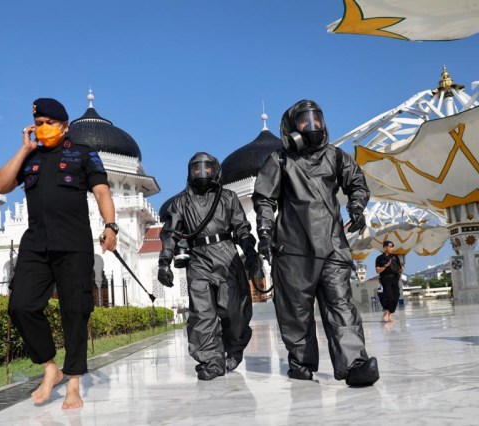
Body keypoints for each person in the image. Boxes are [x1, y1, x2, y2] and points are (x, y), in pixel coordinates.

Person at [0, 98, 118, 408]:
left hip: (73, 244)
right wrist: (24, 149)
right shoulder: (31, 158)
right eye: (38, 123)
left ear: (64, 126)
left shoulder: (83, 154)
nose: (42, 128)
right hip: (35, 244)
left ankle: (74, 381)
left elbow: (102, 190)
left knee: (74, 312)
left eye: (49, 122)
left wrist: (111, 226)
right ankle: (51, 367)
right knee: (21, 306)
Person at [252, 99, 379, 386]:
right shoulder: (280, 161)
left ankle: (355, 365)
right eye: (304, 122)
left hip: (333, 246)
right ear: (291, 128)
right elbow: (264, 200)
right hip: (293, 249)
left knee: (341, 306)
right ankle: (301, 363)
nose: (312, 127)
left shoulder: (336, 157)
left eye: (317, 120)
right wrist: (265, 233)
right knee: (296, 312)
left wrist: (356, 207)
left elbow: (357, 183)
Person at [157, 152, 262, 380]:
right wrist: (164, 262)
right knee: (202, 314)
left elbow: (242, 227)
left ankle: (234, 346)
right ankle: (211, 361)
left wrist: (251, 251)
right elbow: (170, 233)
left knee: (234, 310)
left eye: (207, 168)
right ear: (189, 172)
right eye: (196, 169)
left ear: (215, 170)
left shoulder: (228, 198)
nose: (202, 173)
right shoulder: (180, 203)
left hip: (227, 256)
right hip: (198, 260)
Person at [375, 240, 404, 322]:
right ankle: (387, 313)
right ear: (385, 248)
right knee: (390, 297)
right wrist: (385, 266)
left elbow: (399, 268)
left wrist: (401, 270)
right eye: (390, 247)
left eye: (392, 247)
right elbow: (377, 270)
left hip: (395, 278)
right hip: (385, 279)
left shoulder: (395, 257)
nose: (392, 248)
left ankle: (389, 314)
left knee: (397, 296)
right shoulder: (379, 258)